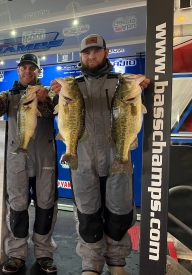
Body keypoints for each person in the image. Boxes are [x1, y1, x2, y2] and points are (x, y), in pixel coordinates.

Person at [50, 34, 150, 275]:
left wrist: (142, 88)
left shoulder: (121, 82)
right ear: (80, 56)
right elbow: (60, 117)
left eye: (96, 51)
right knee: (87, 215)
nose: (91, 56)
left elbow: (135, 114)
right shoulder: (70, 85)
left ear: (106, 52)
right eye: (86, 52)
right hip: (83, 162)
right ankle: (91, 265)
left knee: (120, 212)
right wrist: (55, 94)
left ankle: (116, 262)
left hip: (118, 158)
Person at [0, 54, 58, 274]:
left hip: (44, 158)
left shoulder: (49, 93)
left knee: (46, 206)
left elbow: (51, 111)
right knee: (17, 207)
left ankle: (44, 253)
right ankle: (17, 253)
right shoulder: (7, 96)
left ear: (39, 71)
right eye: (24, 68)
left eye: (32, 68)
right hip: (17, 158)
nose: (28, 71)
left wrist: (44, 99)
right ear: (18, 70)